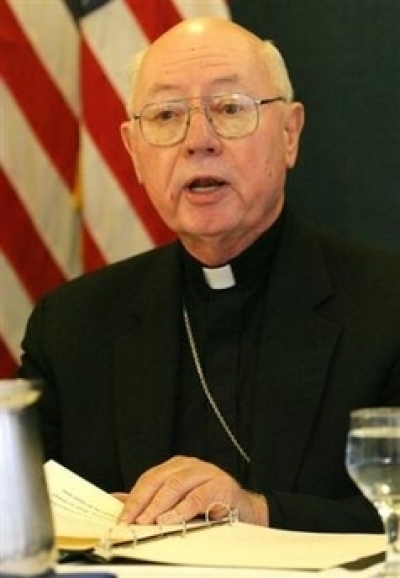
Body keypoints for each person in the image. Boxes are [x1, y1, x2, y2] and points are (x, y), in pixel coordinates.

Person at [18, 16, 400, 534]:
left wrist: (258, 511)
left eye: (229, 108)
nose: (199, 140)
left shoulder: (387, 307)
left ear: (290, 134)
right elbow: (15, 512)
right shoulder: (71, 325)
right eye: (166, 115)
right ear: (133, 151)